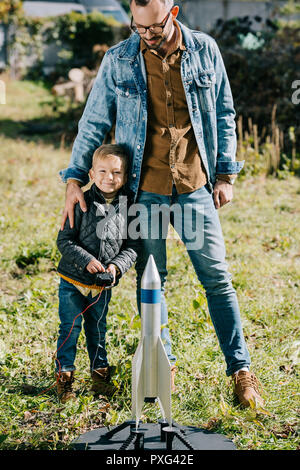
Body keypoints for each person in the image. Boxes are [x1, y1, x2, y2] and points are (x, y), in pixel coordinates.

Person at [59, 0, 264, 407]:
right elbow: (94, 119)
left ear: (173, 13)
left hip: (194, 187)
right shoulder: (119, 60)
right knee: (152, 281)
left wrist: (225, 175)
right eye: (138, 29)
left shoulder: (204, 50)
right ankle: (162, 362)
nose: (146, 37)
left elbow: (224, 112)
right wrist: (72, 179)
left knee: (217, 280)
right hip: (144, 191)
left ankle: (241, 372)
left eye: (153, 29)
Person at [56, 144, 137, 403]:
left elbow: (132, 247)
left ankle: (99, 377)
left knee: (98, 329)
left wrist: (116, 267)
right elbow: (64, 241)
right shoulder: (81, 200)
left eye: (116, 172)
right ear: (91, 174)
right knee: (70, 327)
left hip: (101, 286)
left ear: (125, 176)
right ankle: (65, 377)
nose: (109, 177)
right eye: (102, 171)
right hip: (73, 280)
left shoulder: (129, 206)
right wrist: (87, 260)